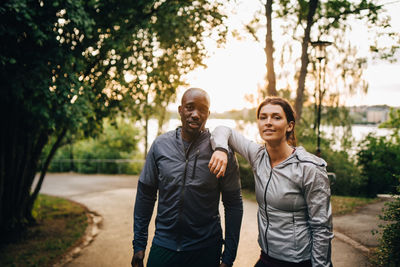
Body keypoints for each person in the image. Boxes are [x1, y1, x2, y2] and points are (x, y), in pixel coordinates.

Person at [208, 97, 333, 267]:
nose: (268, 122)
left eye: (276, 117)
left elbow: (322, 228)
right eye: (263, 117)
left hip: (299, 262)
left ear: (289, 125)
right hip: (267, 257)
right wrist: (221, 149)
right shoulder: (258, 156)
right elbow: (223, 129)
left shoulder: (308, 168)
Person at [132, 88, 243, 267]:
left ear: (208, 113)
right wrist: (139, 244)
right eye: (190, 107)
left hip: (205, 249)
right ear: (180, 110)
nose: (195, 114)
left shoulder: (222, 153)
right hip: (164, 245)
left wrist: (229, 256)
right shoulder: (160, 145)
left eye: (202, 110)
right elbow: (145, 195)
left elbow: (233, 204)